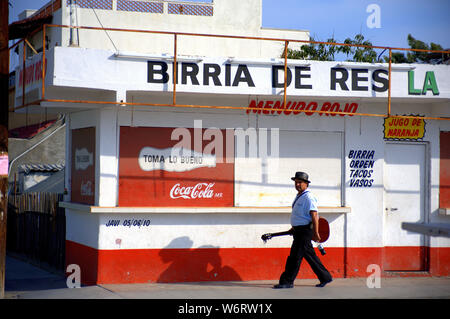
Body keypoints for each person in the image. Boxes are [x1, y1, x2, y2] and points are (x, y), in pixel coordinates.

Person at [273, 171, 333, 289]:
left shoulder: (308, 197)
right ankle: (325, 277)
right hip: (299, 231)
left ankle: (287, 281)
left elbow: (314, 215)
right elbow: (301, 215)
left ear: (306, 184)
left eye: (300, 182)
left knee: (294, 257)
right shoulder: (300, 196)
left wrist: (316, 233)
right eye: (296, 182)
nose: (297, 185)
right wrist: (294, 227)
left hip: (305, 232)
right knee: (310, 256)